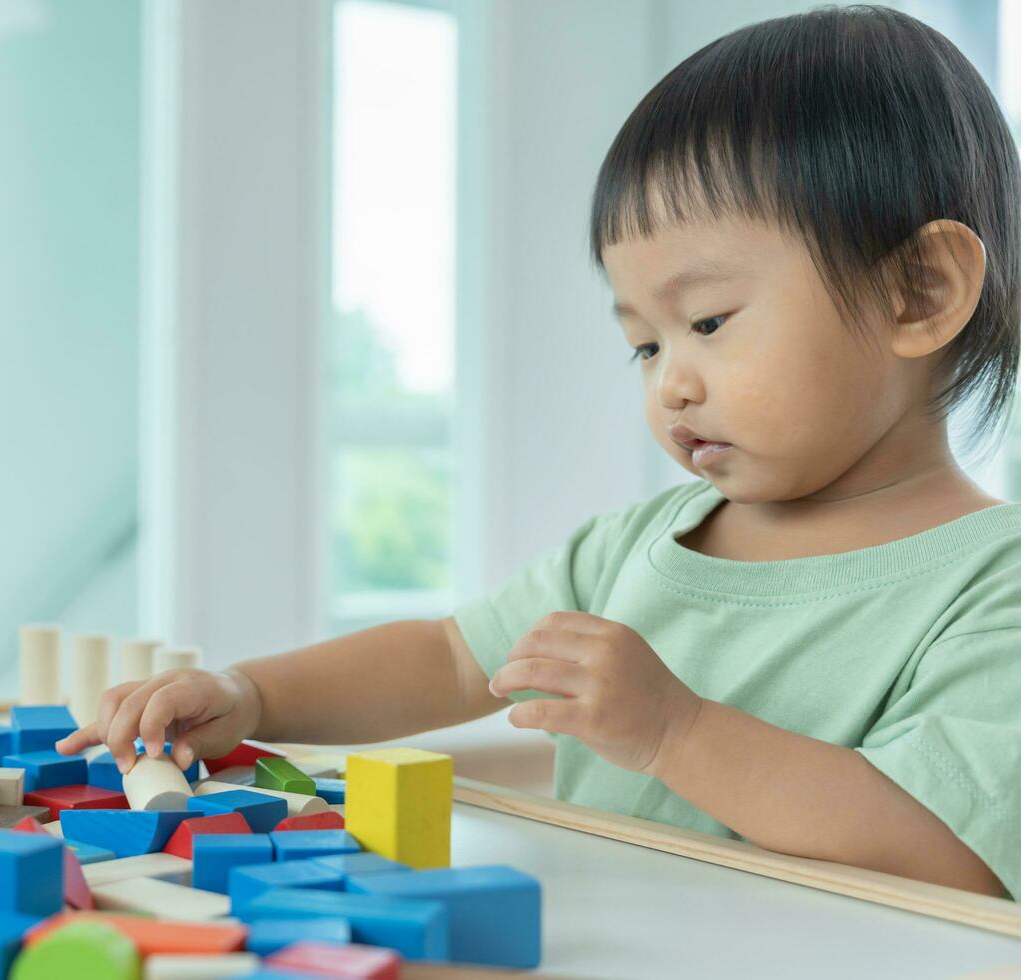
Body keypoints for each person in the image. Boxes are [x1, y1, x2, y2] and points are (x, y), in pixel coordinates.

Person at [60, 5, 1021, 898]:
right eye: (645, 344)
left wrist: (677, 732)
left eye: (709, 320)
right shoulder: (631, 551)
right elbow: (446, 656)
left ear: (920, 293)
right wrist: (253, 693)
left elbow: (949, 854)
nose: (670, 383)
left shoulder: (992, 586)